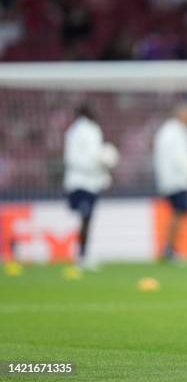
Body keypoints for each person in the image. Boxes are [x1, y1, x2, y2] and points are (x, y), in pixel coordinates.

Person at [64, 104, 119, 271]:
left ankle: (82, 254)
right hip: (85, 182)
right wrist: (102, 162)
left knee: (85, 218)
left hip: (81, 181)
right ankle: (82, 256)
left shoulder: (73, 130)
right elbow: (88, 158)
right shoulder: (88, 130)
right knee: (85, 218)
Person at [153, 102, 187, 264]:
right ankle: (170, 250)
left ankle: (170, 249)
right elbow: (179, 158)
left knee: (177, 213)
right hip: (177, 180)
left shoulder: (168, 130)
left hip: (170, 179)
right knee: (178, 214)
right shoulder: (176, 132)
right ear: (182, 114)